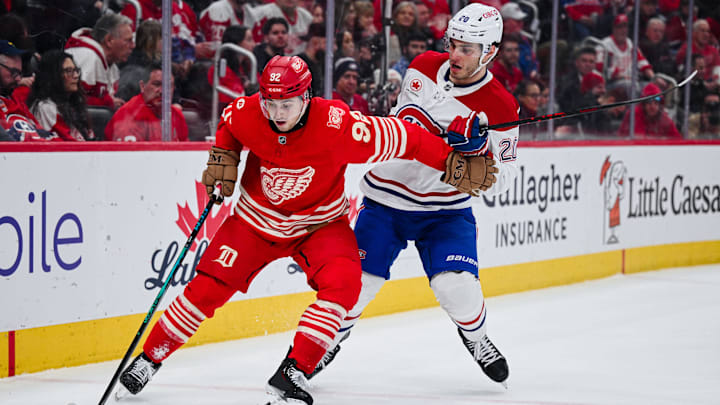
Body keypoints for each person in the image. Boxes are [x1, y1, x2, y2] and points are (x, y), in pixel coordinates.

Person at [116, 55, 497, 405]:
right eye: (271, 103)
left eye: (287, 104)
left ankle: (294, 369)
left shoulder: (341, 127)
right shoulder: (249, 111)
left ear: (307, 96)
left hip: (319, 226)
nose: (277, 113)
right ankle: (150, 359)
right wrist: (223, 156)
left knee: (346, 284)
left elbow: (408, 138)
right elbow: (230, 125)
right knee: (205, 289)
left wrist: (451, 163)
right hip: (253, 224)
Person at [312, 2, 517, 388]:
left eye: (467, 49)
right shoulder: (423, 65)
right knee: (356, 285)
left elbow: (505, 176)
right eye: (452, 43)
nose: (455, 54)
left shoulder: (502, 106)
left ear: (489, 52)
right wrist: (455, 145)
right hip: (387, 198)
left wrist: (476, 151)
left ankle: (477, 338)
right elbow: (409, 126)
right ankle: (326, 342)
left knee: (455, 287)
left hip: (445, 211)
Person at [65, 13, 135, 110]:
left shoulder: (111, 64)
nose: (133, 46)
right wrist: (107, 103)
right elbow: (71, 99)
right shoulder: (87, 56)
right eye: (128, 40)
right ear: (109, 40)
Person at [105, 63, 188, 142]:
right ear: (142, 86)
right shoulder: (129, 115)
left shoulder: (176, 115)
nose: (162, 91)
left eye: (168, 86)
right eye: (156, 84)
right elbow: (129, 156)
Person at [28, 50, 95, 141]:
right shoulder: (45, 107)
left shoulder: (73, 104)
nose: (76, 76)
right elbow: (67, 146)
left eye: (76, 70)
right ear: (54, 75)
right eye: (68, 71)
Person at [0, 40, 56, 142]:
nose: (18, 79)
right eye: (13, 72)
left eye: (20, 73)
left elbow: (42, 134)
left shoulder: (15, 100)